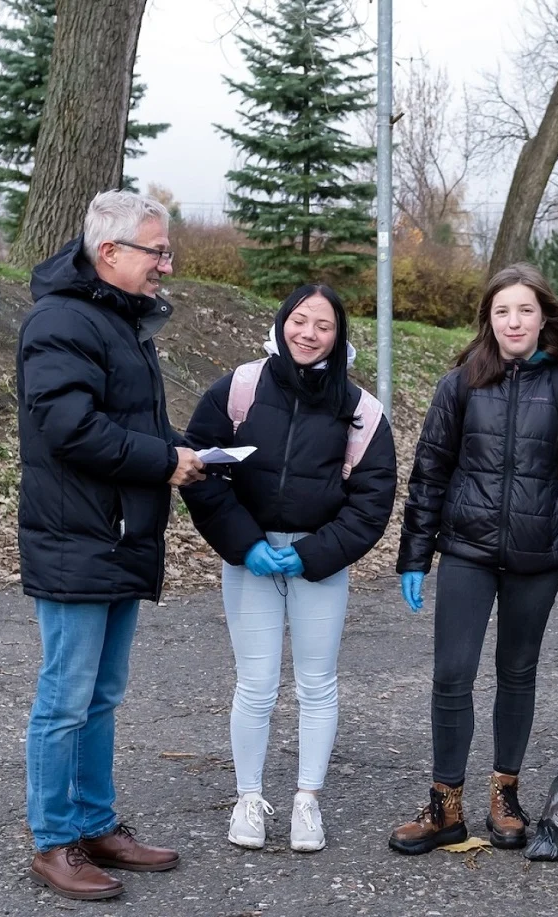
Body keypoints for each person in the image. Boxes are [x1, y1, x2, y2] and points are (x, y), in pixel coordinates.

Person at [388, 263, 558, 855]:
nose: (514, 321)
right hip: (466, 552)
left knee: (518, 672)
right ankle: (445, 806)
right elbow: (429, 474)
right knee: (452, 674)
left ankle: (505, 795)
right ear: (489, 320)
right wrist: (415, 554)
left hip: (539, 558)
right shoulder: (459, 384)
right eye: (502, 311)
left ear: (544, 317)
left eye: (525, 310)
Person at [17, 190, 204, 901]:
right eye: (157, 250)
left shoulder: (117, 320)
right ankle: (53, 838)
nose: (167, 262)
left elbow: (128, 422)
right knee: (64, 698)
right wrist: (164, 462)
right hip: (76, 539)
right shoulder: (61, 320)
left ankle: (95, 823)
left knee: (101, 695)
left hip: (119, 538)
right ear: (111, 253)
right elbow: (72, 429)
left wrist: (189, 451)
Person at [181, 284, 396, 853]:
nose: (308, 333)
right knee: (255, 685)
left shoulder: (360, 410)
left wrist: (312, 553)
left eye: (322, 325)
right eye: (299, 320)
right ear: (281, 323)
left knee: (317, 684)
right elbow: (200, 466)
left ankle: (307, 801)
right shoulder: (241, 387)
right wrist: (244, 542)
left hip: (317, 563)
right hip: (250, 559)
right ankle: (248, 799)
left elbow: (373, 501)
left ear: (338, 336)